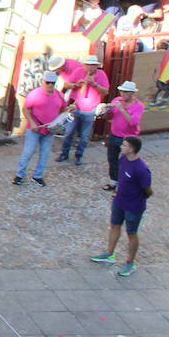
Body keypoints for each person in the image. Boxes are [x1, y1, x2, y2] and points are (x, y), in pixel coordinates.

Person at [90, 136, 152, 277]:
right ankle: (109, 254)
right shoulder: (123, 159)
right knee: (115, 225)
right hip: (119, 201)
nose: (121, 147)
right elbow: (122, 179)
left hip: (134, 206)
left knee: (131, 233)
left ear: (131, 149)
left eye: (124, 145)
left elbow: (147, 190)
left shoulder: (141, 169)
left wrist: (137, 198)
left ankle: (130, 262)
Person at [13, 71, 68, 186]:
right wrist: (32, 122)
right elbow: (26, 109)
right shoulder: (34, 94)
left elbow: (63, 109)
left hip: (49, 129)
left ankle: (37, 176)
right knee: (28, 152)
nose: (50, 85)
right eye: (48, 83)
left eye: (52, 83)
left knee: (45, 153)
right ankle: (19, 174)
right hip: (35, 128)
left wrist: (59, 119)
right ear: (43, 82)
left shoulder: (58, 95)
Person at [57, 55, 109, 166]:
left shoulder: (101, 75)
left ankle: (78, 155)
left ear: (96, 67)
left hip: (90, 109)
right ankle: (64, 153)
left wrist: (95, 84)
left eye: (92, 66)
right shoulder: (78, 71)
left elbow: (105, 91)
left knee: (84, 136)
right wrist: (76, 85)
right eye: (88, 65)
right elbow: (67, 85)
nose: (89, 68)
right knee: (68, 132)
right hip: (76, 107)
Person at [104, 80, 145, 190]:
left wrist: (121, 109)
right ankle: (113, 181)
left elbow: (132, 122)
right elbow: (110, 116)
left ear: (132, 93)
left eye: (126, 92)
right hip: (114, 135)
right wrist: (106, 110)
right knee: (112, 159)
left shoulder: (139, 106)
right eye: (122, 92)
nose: (123, 94)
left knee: (125, 163)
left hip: (128, 138)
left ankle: (122, 186)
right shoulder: (116, 100)